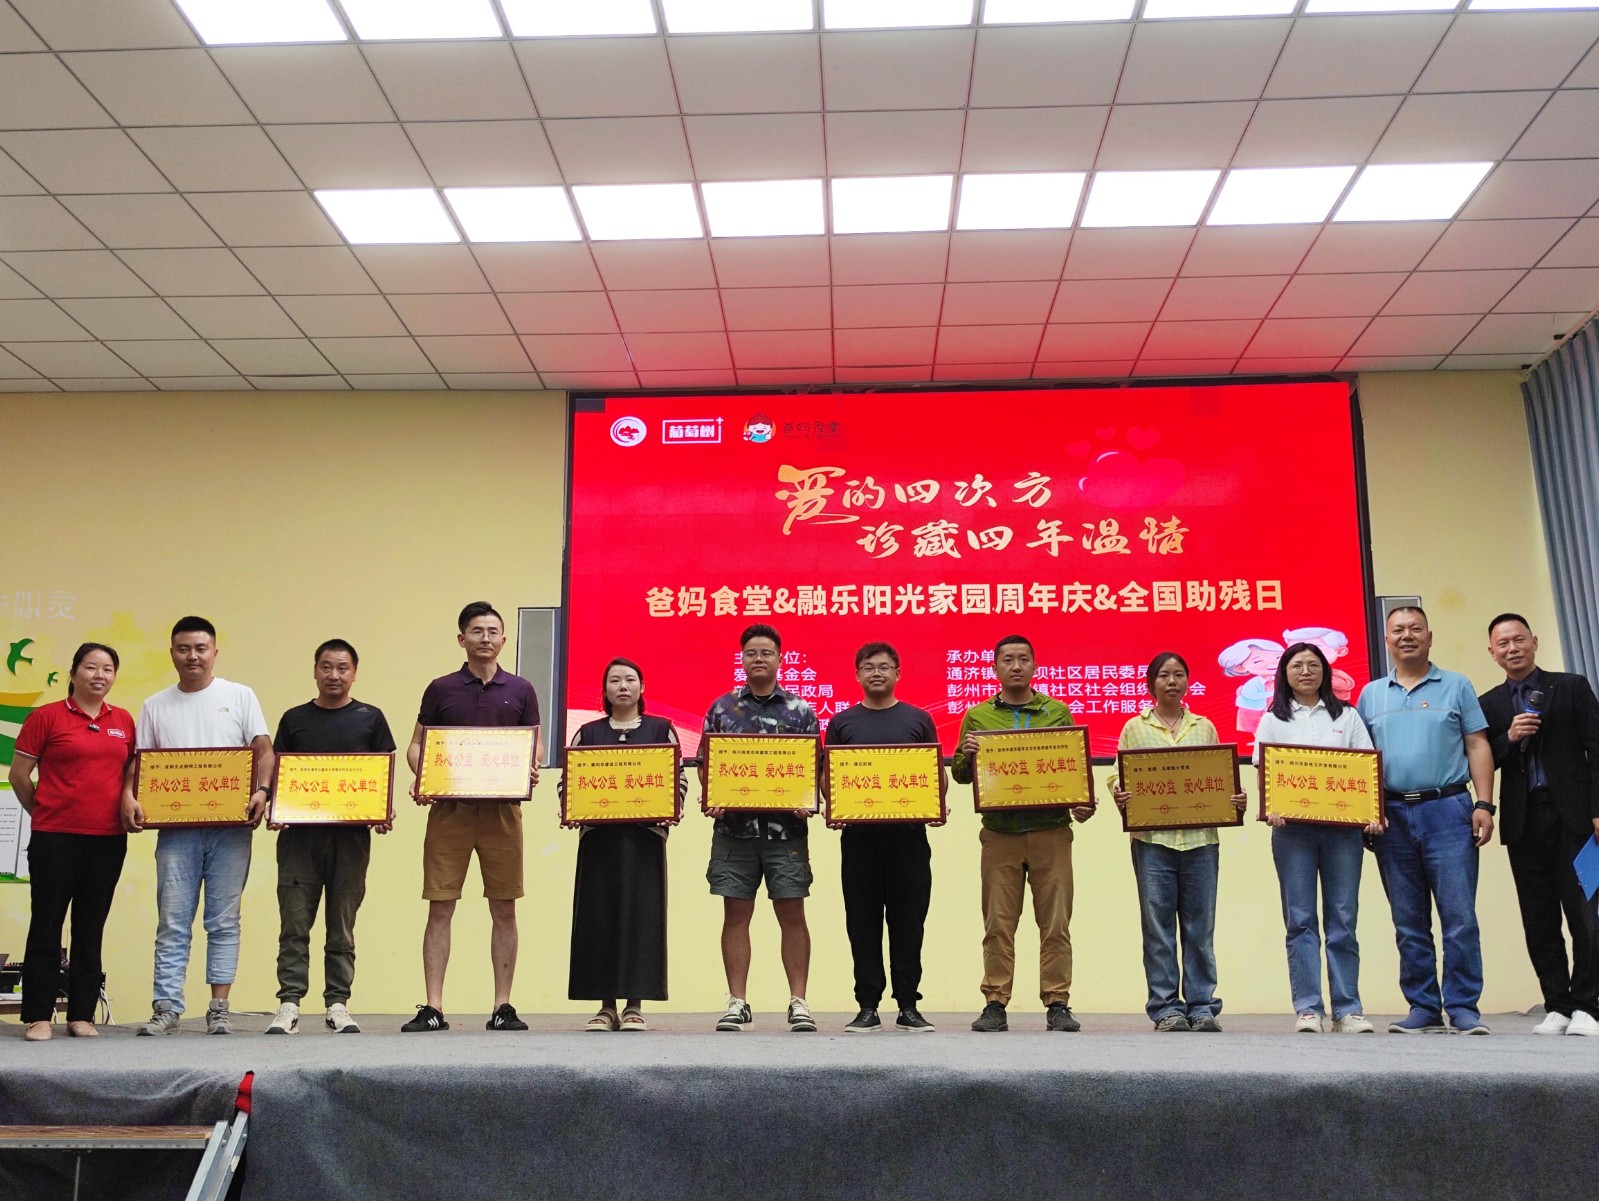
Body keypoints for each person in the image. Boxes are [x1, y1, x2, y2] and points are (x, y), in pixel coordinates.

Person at [123, 616, 273, 1037]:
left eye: (201, 648)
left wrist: (262, 790)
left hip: (231, 827)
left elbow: (264, 750)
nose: (193, 656)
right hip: (176, 829)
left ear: (214, 653)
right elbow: (140, 763)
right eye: (184, 648)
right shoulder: (155, 705)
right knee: (172, 921)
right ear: (172, 653)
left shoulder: (239, 695)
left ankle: (219, 1008)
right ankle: (166, 1008)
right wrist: (128, 795)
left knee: (223, 921)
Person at [1357, 606, 1496, 1034]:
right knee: (1408, 921)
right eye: (1398, 630)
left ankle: (1463, 1007)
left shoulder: (1457, 685)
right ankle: (1423, 1007)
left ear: (1429, 637)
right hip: (1392, 816)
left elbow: (1477, 744)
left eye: (1415, 628)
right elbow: (1359, 761)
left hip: (1448, 810)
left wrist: (1484, 804)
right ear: (1386, 641)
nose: (1407, 636)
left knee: (1459, 917)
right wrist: (1367, 811)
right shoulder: (1370, 695)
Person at [404, 601, 541, 1033]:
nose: (485, 638)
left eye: (492, 631)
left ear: (504, 639)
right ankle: (433, 1007)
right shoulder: (440, 689)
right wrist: (424, 776)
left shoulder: (521, 689)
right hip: (451, 811)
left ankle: (502, 1006)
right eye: (477, 631)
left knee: (504, 907)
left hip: (502, 811)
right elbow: (417, 745)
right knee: (440, 905)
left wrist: (531, 765)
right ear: (462, 638)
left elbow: (534, 745)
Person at [952, 634, 1094, 1033]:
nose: (1016, 666)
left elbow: (1073, 768)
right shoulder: (978, 717)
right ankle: (995, 1003)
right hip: (1000, 834)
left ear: (1034, 665)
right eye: (1008, 660)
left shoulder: (1057, 712)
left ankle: (1058, 1002)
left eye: (1023, 659)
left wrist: (1083, 803)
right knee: (998, 924)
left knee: (1055, 923)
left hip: (1052, 831)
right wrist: (968, 755)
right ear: (995, 668)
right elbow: (961, 775)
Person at [265, 639, 397, 1036]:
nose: (334, 675)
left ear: (354, 673)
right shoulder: (294, 719)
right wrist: (275, 806)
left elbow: (383, 773)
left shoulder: (370, 719)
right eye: (326, 667)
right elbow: (279, 772)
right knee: (294, 925)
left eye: (342, 668)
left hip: (350, 840)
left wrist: (383, 809)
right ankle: (289, 1004)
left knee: (342, 926)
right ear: (315, 671)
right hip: (299, 841)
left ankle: (337, 1004)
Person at [1112, 652, 1247, 1033]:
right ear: (1150, 684)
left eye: (1179, 675)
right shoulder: (1133, 727)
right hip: (1152, 840)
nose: (1172, 681)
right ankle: (1166, 1008)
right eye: (1163, 675)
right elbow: (1119, 776)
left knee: (1200, 928)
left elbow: (1220, 777)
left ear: (1188, 681)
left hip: (1200, 841)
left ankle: (1202, 1006)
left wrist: (1234, 799)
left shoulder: (1205, 726)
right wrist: (1120, 793)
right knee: (1158, 929)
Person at [1478, 613, 1599, 1037]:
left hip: (1578, 820)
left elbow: (1597, 746)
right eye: (1503, 643)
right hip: (1523, 823)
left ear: (1535, 641)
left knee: (1587, 913)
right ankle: (1558, 1004)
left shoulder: (1571, 687)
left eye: (1518, 639)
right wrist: (1508, 739)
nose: (1512, 648)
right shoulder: (1489, 704)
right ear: (1492, 653)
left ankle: (1588, 1005)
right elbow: (1481, 760)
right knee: (1538, 917)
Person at [10, 643, 134, 1041]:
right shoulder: (46, 717)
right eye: (91, 667)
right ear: (74, 672)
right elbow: (19, 775)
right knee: (46, 924)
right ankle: (37, 1016)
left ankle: (82, 1015)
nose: (100, 675)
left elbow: (130, 772)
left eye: (108, 669)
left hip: (107, 840)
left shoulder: (124, 720)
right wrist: (44, 813)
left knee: (90, 927)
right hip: (54, 839)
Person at [1254, 642, 1380, 1034]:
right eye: (1297, 665)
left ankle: (1348, 1009)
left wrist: (1372, 814)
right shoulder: (1272, 719)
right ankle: (1309, 1009)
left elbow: (1366, 770)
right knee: (1300, 920)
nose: (1306, 671)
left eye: (1313, 664)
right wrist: (1271, 807)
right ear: (1284, 673)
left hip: (1343, 832)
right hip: (1293, 832)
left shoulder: (1348, 715)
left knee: (1343, 918)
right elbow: (1265, 773)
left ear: (1325, 671)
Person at [700, 623, 820, 1033]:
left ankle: (799, 1001)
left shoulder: (801, 710)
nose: (758, 659)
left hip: (786, 833)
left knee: (792, 913)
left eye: (766, 652)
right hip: (734, 832)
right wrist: (713, 796)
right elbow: (706, 764)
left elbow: (815, 767)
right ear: (742, 659)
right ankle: (737, 1002)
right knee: (736, 914)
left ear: (780, 659)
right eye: (751, 652)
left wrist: (808, 798)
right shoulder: (722, 709)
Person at [826, 642, 940, 1034]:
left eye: (885, 667)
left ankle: (908, 1006)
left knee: (909, 922)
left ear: (898, 673)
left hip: (909, 840)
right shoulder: (842, 722)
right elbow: (828, 776)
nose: (877, 673)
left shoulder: (919, 719)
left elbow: (933, 773)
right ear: (857, 674)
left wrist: (935, 805)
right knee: (862, 923)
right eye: (869, 667)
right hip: (859, 840)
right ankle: (867, 1006)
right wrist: (835, 807)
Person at [566, 658, 676, 1033]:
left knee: (641, 917)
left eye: (630, 679)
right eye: (615, 680)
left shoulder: (661, 729)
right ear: (605, 690)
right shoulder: (587, 733)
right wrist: (573, 808)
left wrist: (668, 809)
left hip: (644, 840)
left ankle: (634, 1006)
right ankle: (605, 1006)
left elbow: (676, 779)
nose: (623, 686)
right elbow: (570, 780)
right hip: (598, 841)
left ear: (642, 687)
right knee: (598, 918)